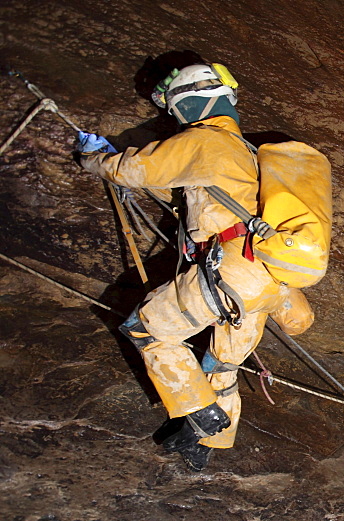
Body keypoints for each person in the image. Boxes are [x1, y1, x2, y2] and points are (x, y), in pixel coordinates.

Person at [76, 63, 314, 471]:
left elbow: (135, 169)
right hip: (269, 283)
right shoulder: (248, 154)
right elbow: (180, 186)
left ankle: (202, 414)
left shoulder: (205, 140)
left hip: (232, 272)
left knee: (147, 330)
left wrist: (95, 158)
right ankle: (205, 446)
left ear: (186, 104)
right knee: (221, 364)